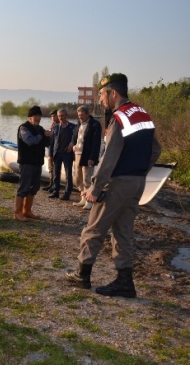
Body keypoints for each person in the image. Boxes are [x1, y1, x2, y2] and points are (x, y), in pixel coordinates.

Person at [65, 73, 161, 298]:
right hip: (137, 183)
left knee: (94, 228)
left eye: (101, 94)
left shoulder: (118, 118)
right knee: (124, 231)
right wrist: (139, 172)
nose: (100, 99)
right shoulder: (142, 114)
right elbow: (156, 150)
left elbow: (109, 159)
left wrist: (94, 189)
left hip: (118, 183)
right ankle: (125, 282)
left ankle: (82, 275)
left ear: (113, 93)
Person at [14, 106, 50, 221]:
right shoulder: (23, 128)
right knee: (24, 187)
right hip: (26, 162)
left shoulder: (40, 129)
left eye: (39, 116)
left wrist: (48, 136)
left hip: (37, 162)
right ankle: (17, 212)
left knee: (35, 187)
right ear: (30, 117)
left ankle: (27, 211)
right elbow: (30, 141)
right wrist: (42, 135)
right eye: (36, 116)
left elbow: (46, 143)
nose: (38, 118)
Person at [72, 105, 102, 209]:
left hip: (87, 155)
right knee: (78, 178)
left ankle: (89, 201)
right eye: (79, 115)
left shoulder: (95, 125)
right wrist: (73, 144)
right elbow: (74, 137)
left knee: (87, 178)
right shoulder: (79, 124)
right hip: (77, 154)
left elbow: (96, 143)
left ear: (88, 114)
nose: (80, 117)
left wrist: (92, 158)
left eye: (82, 115)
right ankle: (83, 198)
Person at [48, 109, 76, 201]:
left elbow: (76, 138)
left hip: (67, 154)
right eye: (59, 116)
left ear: (66, 116)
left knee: (68, 174)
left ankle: (67, 193)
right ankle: (55, 192)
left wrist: (72, 143)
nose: (60, 118)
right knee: (56, 174)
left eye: (62, 116)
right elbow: (51, 142)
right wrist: (50, 155)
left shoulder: (73, 127)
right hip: (57, 153)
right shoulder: (55, 128)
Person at [42, 109, 59, 192]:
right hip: (50, 147)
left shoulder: (59, 125)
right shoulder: (53, 124)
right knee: (50, 167)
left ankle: (54, 184)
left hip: (56, 149)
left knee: (55, 167)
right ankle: (51, 183)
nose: (53, 117)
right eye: (51, 116)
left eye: (54, 116)